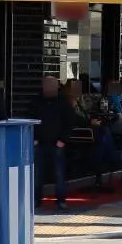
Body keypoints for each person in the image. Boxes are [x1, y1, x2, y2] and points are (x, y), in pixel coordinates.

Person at [31, 76, 75, 211]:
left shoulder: (62, 102)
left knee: (59, 173)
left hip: (57, 143)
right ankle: (36, 199)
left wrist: (63, 140)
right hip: (40, 143)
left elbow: (70, 122)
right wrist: (34, 139)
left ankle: (61, 200)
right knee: (38, 173)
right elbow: (30, 119)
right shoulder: (36, 101)